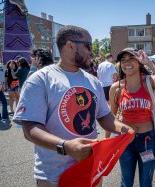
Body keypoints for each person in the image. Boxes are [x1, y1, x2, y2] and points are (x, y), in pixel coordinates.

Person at [13, 25, 134, 187]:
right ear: (70, 45)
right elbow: (30, 129)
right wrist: (66, 146)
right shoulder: (40, 79)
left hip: (90, 170)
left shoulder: (93, 81)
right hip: (54, 176)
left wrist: (122, 128)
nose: (92, 51)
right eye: (88, 46)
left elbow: (104, 116)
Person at [108, 48, 155, 187]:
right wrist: (107, 139)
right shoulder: (116, 88)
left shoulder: (149, 81)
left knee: (146, 183)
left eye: (131, 59)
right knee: (126, 183)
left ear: (139, 62)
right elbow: (113, 116)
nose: (127, 63)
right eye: (123, 60)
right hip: (125, 141)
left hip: (148, 141)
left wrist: (150, 65)